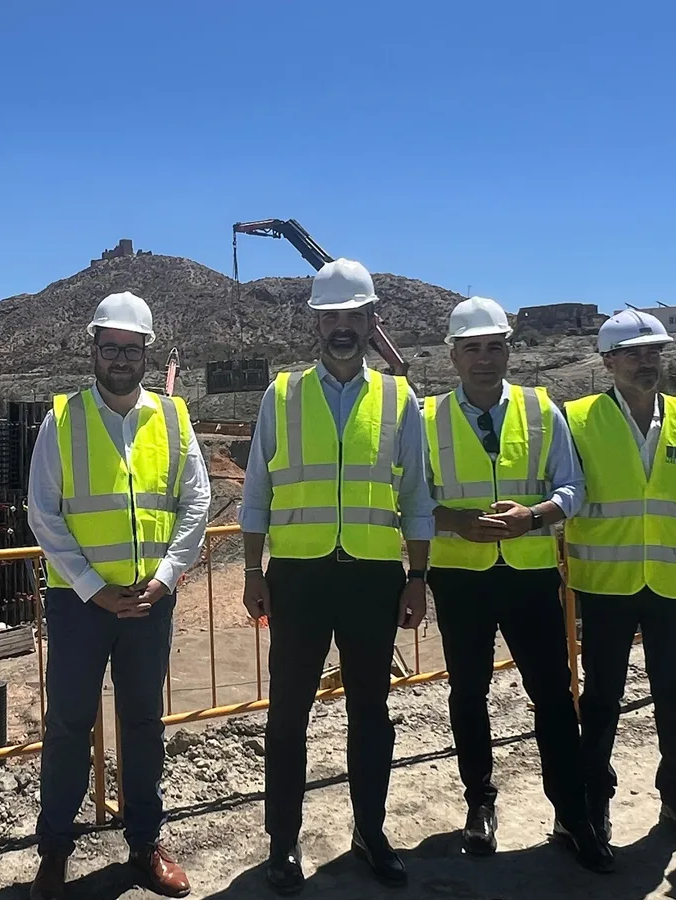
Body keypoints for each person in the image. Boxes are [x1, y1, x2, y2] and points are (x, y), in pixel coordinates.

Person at [240, 259, 432, 895]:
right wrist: (252, 569)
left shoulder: (399, 399)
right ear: (316, 325)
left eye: (355, 315)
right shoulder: (282, 395)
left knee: (371, 714)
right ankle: (282, 841)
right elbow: (257, 491)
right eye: (331, 317)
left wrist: (417, 576)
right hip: (297, 577)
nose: (343, 327)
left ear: (374, 321)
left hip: (374, 578)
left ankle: (370, 832)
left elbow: (417, 497)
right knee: (287, 715)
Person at [26, 291, 210, 900]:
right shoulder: (62, 420)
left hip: (149, 602)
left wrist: (168, 575)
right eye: (111, 348)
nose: (121, 359)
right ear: (95, 350)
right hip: (81, 606)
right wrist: (93, 588)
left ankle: (145, 844)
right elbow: (43, 513)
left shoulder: (174, 419)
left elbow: (196, 501)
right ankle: (55, 851)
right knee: (68, 726)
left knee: (143, 724)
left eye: (131, 349)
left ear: (146, 353)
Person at [424, 297, 614, 873]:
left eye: (495, 347)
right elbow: (409, 496)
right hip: (460, 577)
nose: (484, 359)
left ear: (509, 350)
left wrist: (533, 517)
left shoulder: (541, 409)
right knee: (468, 694)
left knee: (553, 695)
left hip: (530, 576)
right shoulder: (425, 418)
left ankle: (572, 815)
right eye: (472, 349)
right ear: (453, 356)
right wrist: (454, 521)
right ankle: (479, 803)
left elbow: (572, 487)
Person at [563, 310, 676, 858]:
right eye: (632, 353)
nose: (646, 361)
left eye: (653, 351)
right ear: (608, 362)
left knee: (675, 699)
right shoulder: (578, 419)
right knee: (601, 699)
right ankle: (593, 802)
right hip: (606, 582)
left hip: (672, 583)